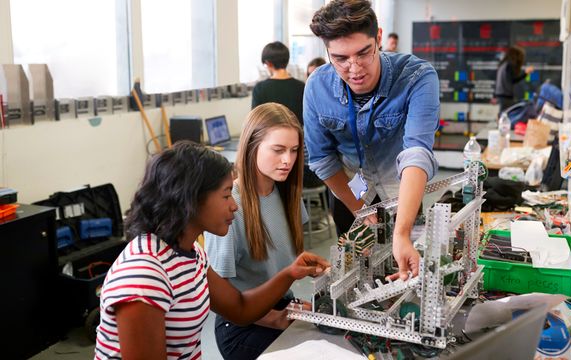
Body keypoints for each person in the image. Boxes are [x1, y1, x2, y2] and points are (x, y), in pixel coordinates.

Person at [94, 141, 328, 359]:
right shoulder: (145, 276)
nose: (234, 205)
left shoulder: (189, 253)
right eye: (226, 195)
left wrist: (289, 273)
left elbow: (240, 309)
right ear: (191, 199)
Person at [304, 0, 440, 281]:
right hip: (349, 190)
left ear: (378, 38)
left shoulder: (417, 77)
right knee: (354, 273)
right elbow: (321, 158)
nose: (354, 69)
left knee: (405, 269)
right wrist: (360, 210)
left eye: (363, 53)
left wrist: (401, 232)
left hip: (402, 187)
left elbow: (417, 152)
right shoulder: (317, 87)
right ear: (327, 52)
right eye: (340, 58)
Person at [204, 103, 309, 359]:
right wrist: (274, 318)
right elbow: (219, 295)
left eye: (294, 151)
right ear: (252, 146)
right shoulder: (231, 206)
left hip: (282, 303)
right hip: (243, 325)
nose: (288, 160)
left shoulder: (287, 194)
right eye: (278, 150)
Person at [252, 41, 305, 126]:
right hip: (297, 136)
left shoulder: (260, 89)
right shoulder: (301, 86)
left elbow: (255, 122)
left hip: (270, 137)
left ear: (268, 63)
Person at [494, 45, 534, 113]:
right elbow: (513, 79)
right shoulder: (509, 65)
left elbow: (511, 80)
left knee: (502, 114)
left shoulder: (503, 64)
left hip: (501, 95)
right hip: (506, 96)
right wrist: (526, 73)